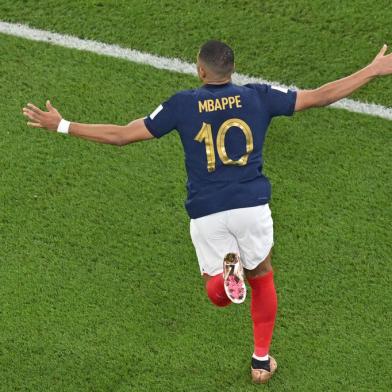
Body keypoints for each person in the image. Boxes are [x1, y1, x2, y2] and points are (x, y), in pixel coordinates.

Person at [23, 40, 392, 384]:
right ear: (232, 69)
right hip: (252, 208)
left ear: (201, 71)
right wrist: (372, 69)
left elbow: (122, 135)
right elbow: (320, 96)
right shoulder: (258, 97)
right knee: (262, 276)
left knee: (216, 292)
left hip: (208, 213)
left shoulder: (183, 104)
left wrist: (62, 124)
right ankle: (261, 362)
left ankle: (224, 277)